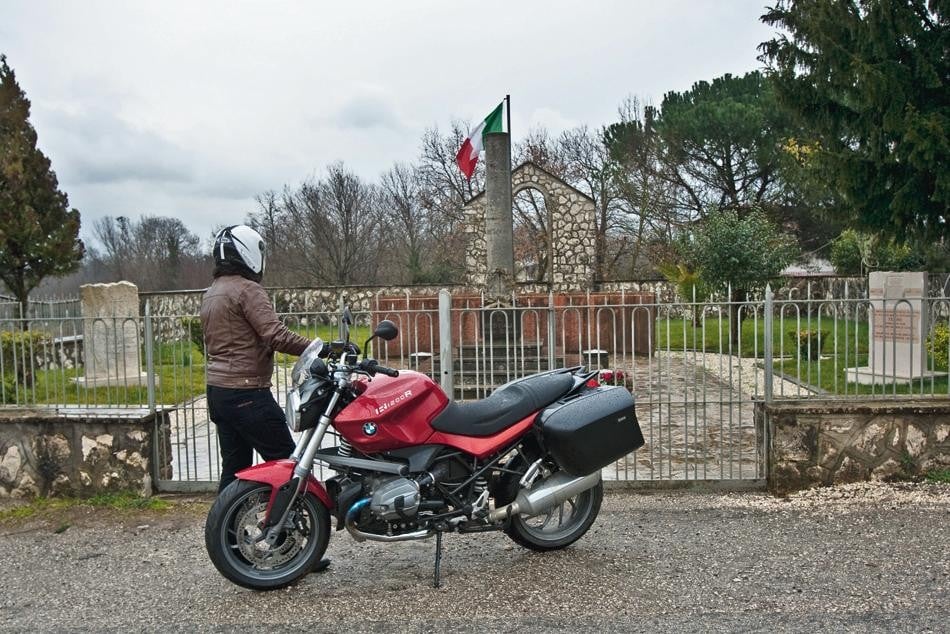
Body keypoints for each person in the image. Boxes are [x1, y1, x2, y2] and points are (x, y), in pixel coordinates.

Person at [200, 224, 310, 493]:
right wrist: (319, 348)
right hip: (248, 393)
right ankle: (289, 530)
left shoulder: (212, 292)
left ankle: (225, 531)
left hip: (218, 392)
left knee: (234, 468)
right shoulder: (247, 289)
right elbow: (276, 335)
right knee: (288, 464)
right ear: (249, 252)